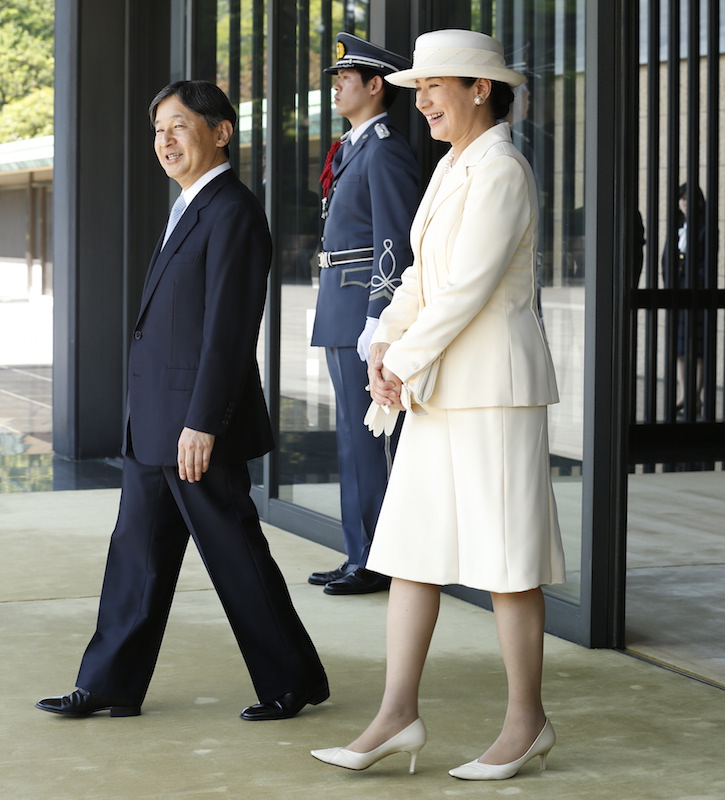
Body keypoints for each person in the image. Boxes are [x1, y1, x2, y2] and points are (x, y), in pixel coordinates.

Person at [311, 30, 566, 780]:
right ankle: (396, 716)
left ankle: (526, 724)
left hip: (492, 390)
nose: (418, 101)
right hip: (436, 385)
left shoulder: (502, 169)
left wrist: (404, 361)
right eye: (414, 89)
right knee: (412, 552)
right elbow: (420, 278)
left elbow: (468, 290)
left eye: (432, 88)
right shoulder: (452, 166)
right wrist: (383, 349)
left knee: (507, 560)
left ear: (479, 88)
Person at [36, 80, 328, 722]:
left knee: (236, 557)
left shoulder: (234, 211)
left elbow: (228, 330)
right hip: (154, 424)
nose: (164, 141)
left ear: (221, 132)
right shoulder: (189, 208)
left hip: (197, 426)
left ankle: (291, 680)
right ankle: (107, 683)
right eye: (157, 131)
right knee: (135, 556)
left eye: (178, 126)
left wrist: (202, 423)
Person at [308, 33, 419, 595]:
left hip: (361, 308)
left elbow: (393, 239)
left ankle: (376, 559)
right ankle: (359, 550)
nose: (336, 86)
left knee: (366, 440)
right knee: (350, 439)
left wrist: (380, 316)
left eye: (345, 78)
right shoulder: (355, 146)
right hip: (339, 302)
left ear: (375, 85)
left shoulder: (385, 149)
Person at [661, 183, 706, 417]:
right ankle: (684, 393)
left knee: (696, 349)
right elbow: (666, 258)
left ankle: (694, 397)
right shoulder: (677, 226)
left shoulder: (705, 229)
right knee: (680, 348)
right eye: (682, 198)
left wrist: (692, 281)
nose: (685, 202)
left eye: (689, 199)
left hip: (696, 295)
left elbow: (705, 264)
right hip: (677, 295)